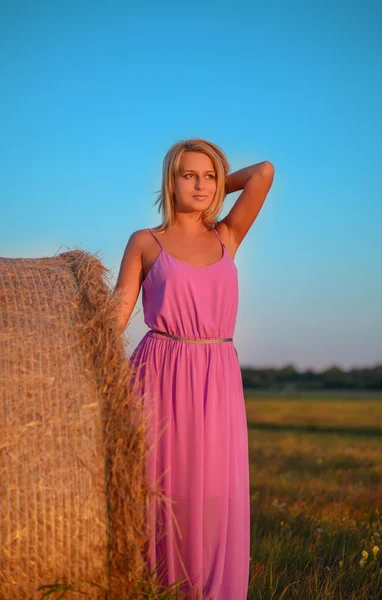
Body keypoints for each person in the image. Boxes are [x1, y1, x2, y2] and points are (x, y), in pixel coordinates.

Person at [114, 138, 274, 599]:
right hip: (158, 374)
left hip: (216, 374)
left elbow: (262, 172)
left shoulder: (226, 235)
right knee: (160, 489)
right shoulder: (146, 241)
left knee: (212, 493)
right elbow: (118, 312)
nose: (201, 184)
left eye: (210, 176)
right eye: (189, 175)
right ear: (171, 181)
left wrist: (216, 188)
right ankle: (155, 587)